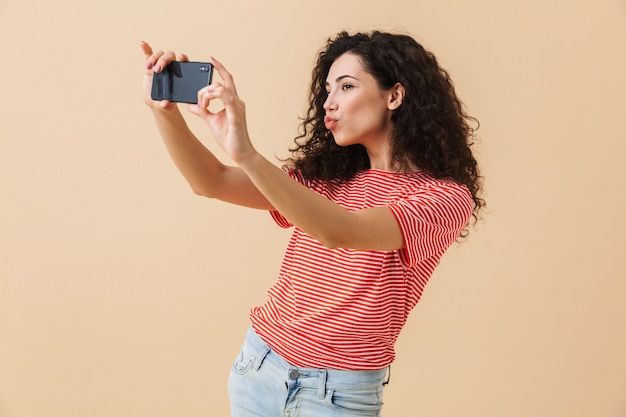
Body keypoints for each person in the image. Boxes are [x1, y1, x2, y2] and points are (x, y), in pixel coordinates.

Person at [140, 30, 484, 417]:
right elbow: (212, 181)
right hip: (260, 367)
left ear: (394, 96)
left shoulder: (443, 198)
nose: (329, 103)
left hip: (338, 392)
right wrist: (164, 113)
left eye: (346, 86)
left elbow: (340, 231)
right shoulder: (326, 178)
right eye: (326, 90)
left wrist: (247, 154)